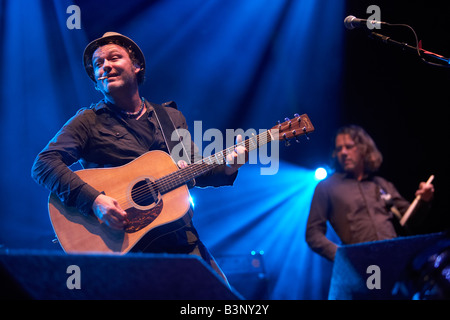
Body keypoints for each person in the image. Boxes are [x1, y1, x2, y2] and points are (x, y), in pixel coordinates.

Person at [31, 32, 247, 281]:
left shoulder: (170, 118)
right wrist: (94, 202)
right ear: (95, 81)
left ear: (136, 66)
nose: (106, 66)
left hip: (182, 245)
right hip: (125, 254)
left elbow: (195, 170)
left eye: (114, 58)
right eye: (98, 64)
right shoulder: (87, 122)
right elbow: (43, 164)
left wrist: (230, 166)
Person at [305, 125, 434, 262]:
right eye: (338, 149)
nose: (343, 152)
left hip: (395, 259)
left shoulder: (381, 184)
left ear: (363, 149)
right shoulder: (327, 187)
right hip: (362, 267)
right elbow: (313, 233)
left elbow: (411, 220)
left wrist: (424, 201)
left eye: (349, 147)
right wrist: (342, 256)